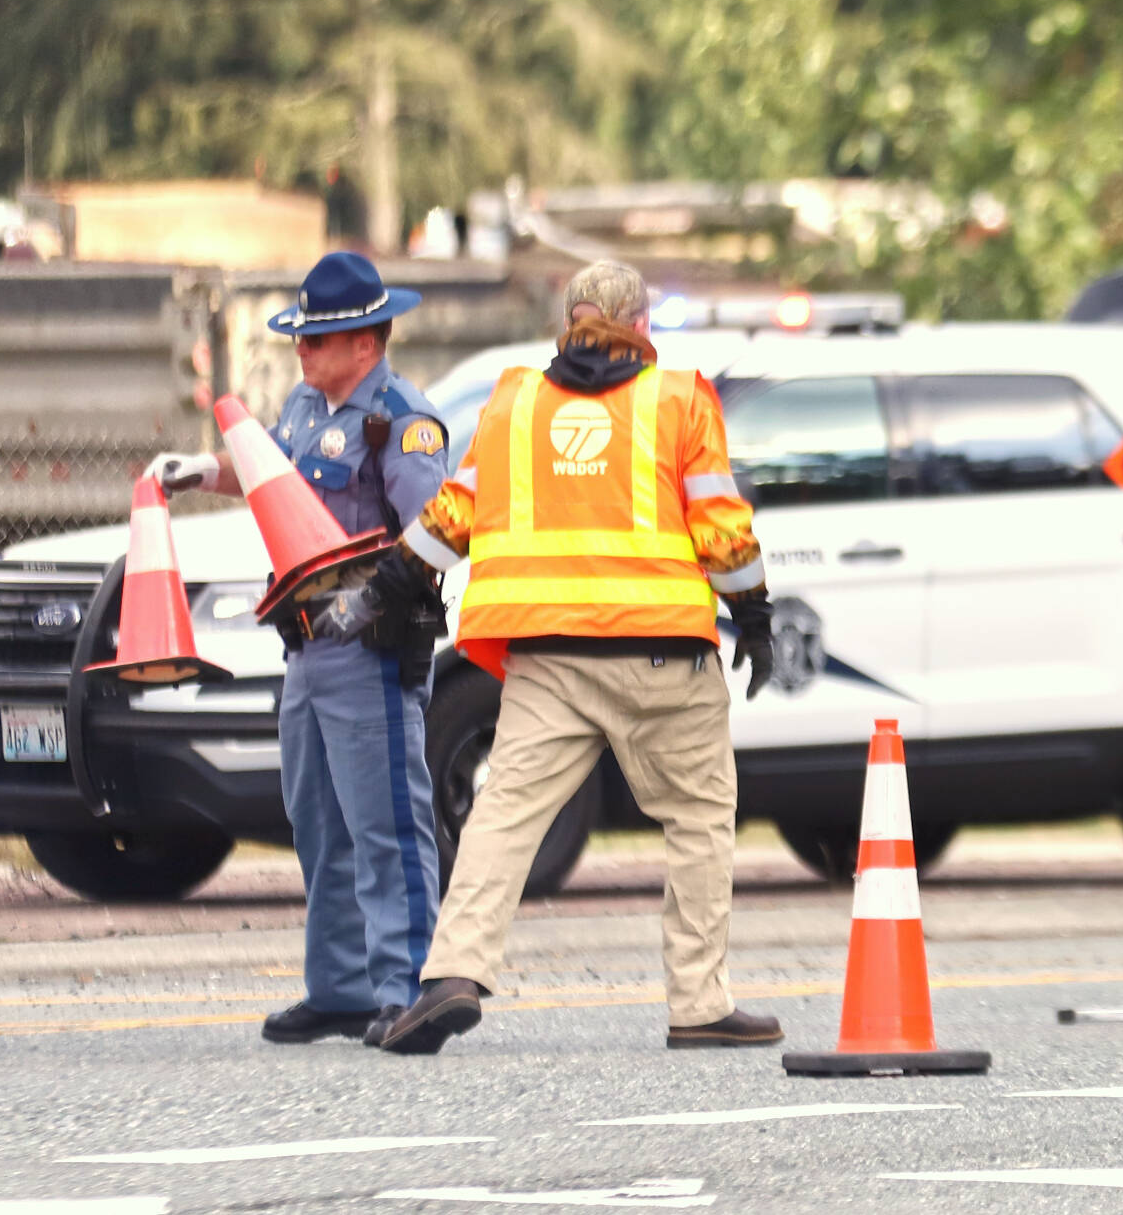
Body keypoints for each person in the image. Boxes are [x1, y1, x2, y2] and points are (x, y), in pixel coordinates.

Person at [313, 259, 780, 1056]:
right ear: (639, 326)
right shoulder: (677, 400)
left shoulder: (515, 401)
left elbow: (454, 512)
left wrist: (392, 582)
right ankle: (698, 1003)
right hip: (660, 650)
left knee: (503, 815)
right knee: (699, 818)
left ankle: (454, 973)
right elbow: (720, 528)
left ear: (568, 322)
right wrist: (754, 615)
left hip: (547, 655)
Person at [146, 251, 448, 1048]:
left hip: (369, 643)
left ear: (366, 342)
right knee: (319, 821)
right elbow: (268, 473)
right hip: (307, 646)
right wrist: (201, 471)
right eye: (301, 340)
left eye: (318, 340)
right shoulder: (310, 408)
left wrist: (381, 592)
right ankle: (343, 988)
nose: (302, 353)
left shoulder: (401, 422)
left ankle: (408, 985)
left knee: (384, 822)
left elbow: (441, 529)